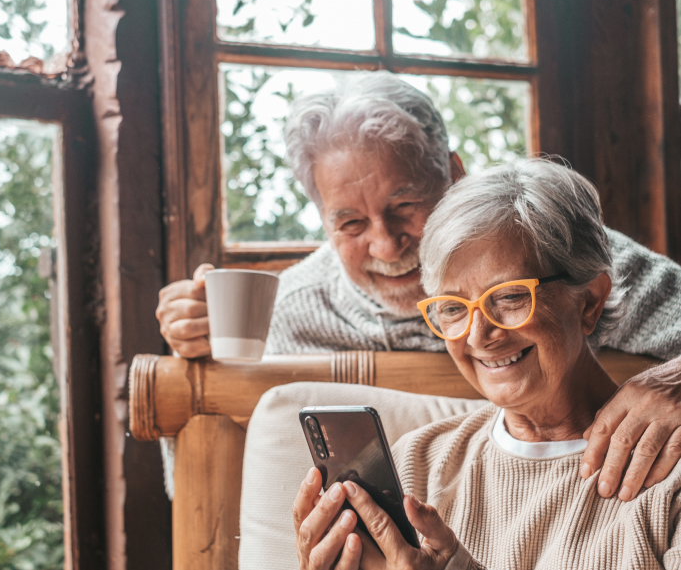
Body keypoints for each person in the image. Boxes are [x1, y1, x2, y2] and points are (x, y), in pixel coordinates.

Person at [155, 72, 681, 501]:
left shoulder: (556, 257)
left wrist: (671, 381)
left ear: (454, 175)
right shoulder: (290, 312)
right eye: (351, 225)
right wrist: (198, 361)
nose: (386, 245)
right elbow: (191, 485)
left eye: (405, 206)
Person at [292, 159, 681, 569]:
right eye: (453, 308)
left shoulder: (668, 466)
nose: (478, 335)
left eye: (510, 296)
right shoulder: (414, 464)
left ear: (589, 301)